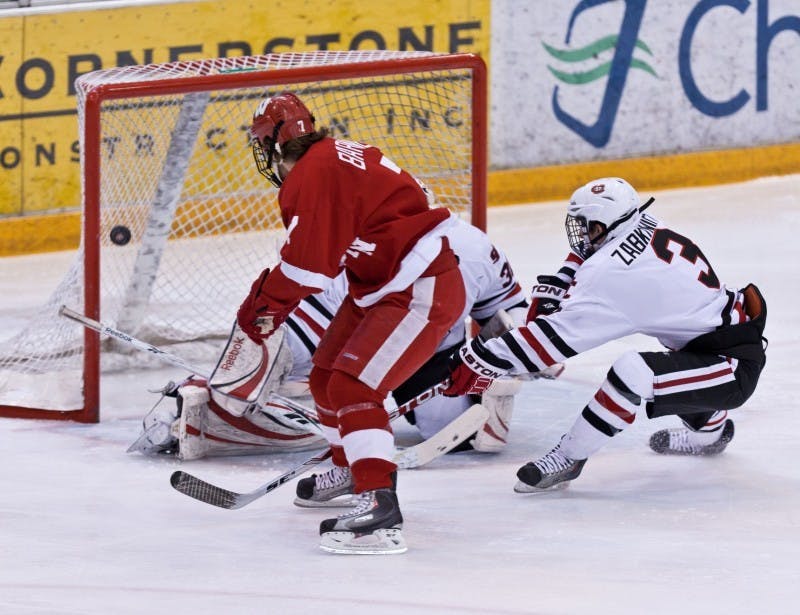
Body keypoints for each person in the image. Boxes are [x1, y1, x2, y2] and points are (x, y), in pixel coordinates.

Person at [237, 91, 471, 555]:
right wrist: (269, 302)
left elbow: (308, 268)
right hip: (384, 283)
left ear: (274, 145)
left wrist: (264, 306)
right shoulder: (332, 157)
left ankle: (379, 505)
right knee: (325, 377)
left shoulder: (311, 175)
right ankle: (350, 468)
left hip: (419, 286)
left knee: (354, 387)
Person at [131, 217, 560, 462]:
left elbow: (505, 311)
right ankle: (221, 400)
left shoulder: (468, 246)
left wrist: (515, 349)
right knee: (308, 375)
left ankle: (486, 398)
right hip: (348, 325)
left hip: (417, 342)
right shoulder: (375, 231)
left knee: (452, 434)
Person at [444, 177, 767, 493]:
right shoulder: (642, 222)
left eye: (586, 225)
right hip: (713, 341)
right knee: (674, 373)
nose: (581, 233)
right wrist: (564, 280)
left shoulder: (615, 273)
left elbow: (550, 343)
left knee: (635, 372)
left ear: (603, 225)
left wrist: (480, 360)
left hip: (731, 366)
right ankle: (711, 435)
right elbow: (582, 265)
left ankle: (567, 458)